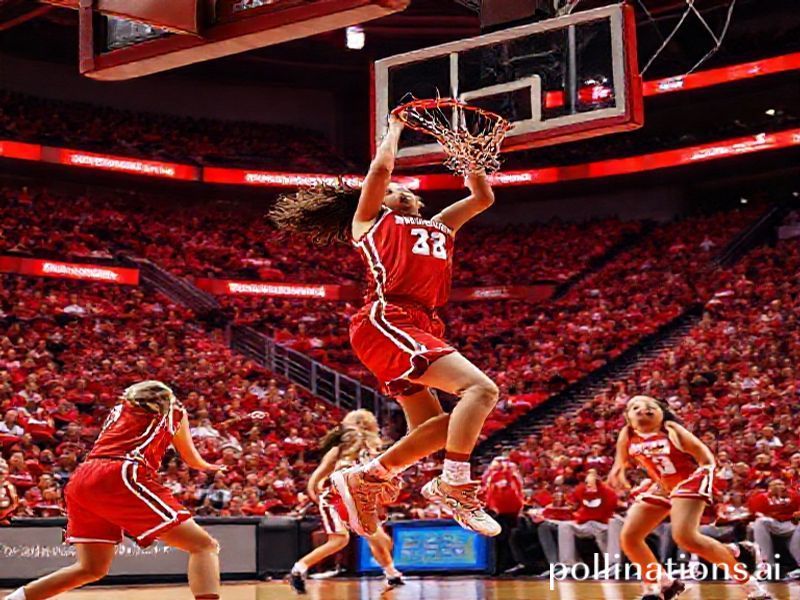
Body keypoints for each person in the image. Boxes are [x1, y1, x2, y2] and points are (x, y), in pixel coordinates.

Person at [269, 113, 501, 537]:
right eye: (393, 190)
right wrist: (394, 130)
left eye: (407, 190)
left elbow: (482, 197)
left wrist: (469, 157)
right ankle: (454, 483)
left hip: (422, 324)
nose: (401, 191)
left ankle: (368, 477)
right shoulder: (371, 223)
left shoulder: (441, 225)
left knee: (441, 428)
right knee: (481, 390)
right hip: (386, 317)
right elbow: (379, 172)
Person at [3, 381, 223, 600]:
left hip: (82, 477)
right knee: (203, 545)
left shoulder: (118, 410)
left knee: (91, 568)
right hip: (120, 473)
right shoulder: (174, 411)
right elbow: (190, 457)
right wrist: (211, 467)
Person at [608, 395, 772, 600]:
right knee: (630, 537)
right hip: (662, 485)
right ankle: (665, 584)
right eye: (636, 407)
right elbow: (620, 462)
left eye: (650, 406)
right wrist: (618, 473)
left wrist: (702, 481)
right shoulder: (627, 434)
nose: (643, 409)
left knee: (685, 537)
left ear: (662, 413)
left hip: (690, 480)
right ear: (628, 417)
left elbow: (706, 458)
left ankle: (752, 588)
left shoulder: (671, 429)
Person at [288, 410, 403, 594]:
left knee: (376, 538)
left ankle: (391, 573)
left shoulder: (374, 449)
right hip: (336, 496)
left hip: (356, 497)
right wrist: (316, 494)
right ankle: (298, 569)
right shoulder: (341, 449)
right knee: (343, 539)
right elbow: (318, 476)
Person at [748, 479, 800, 578]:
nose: (778, 486)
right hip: (773, 522)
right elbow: (756, 513)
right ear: (769, 488)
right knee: (760, 522)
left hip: (792, 523)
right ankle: (767, 565)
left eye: (780, 484)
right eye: (775, 484)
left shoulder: (794, 495)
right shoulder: (761, 497)